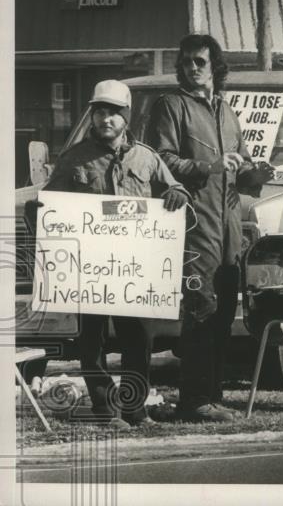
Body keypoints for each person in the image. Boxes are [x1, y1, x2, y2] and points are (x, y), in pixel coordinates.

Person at [27, 80, 190, 430]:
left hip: (135, 269)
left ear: (126, 117)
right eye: (100, 112)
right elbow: (49, 206)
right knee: (93, 342)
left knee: (138, 342)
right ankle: (104, 411)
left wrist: (178, 194)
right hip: (92, 271)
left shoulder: (147, 157)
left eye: (114, 113)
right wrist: (39, 212)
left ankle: (136, 410)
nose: (106, 119)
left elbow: (174, 188)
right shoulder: (73, 160)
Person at [145, 34, 274, 422]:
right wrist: (208, 167)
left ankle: (212, 397)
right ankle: (194, 400)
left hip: (229, 227)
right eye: (186, 61)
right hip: (195, 225)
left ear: (215, 65)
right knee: (200, 311)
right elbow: (161, 161)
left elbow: (242, 167)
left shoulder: (226, 110)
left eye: (200, 61)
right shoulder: (170, 106)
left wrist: (256, 173)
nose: (192, 67)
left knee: (221, 315)